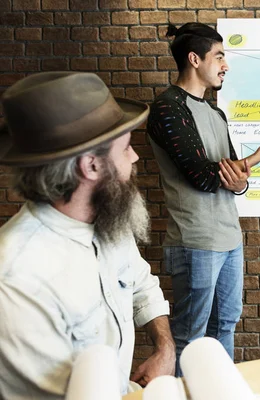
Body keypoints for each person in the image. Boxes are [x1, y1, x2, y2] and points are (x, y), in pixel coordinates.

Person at [0, 71, 175, 399]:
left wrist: (164, 347)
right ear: (91, 166)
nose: (135, 157)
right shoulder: (16, 283)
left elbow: (141, 284)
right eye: (125, 149)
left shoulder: (108, 220)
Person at [146, 22, 260, 374]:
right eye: (219, 56)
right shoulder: (168, 108)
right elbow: (204, 176)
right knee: (189, 335)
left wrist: (240, 180)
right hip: (196, 241)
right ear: (194, 59)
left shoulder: (215, 112)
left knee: (224, 326)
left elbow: (234, 178)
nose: (226, 65)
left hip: (229, 237)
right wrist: (257, 157)